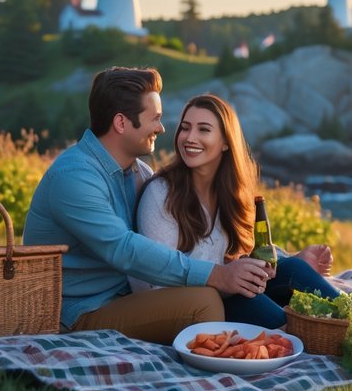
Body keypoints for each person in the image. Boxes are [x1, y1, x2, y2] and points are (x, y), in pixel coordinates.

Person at [22, 67, 273, 344]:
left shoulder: (138, 173)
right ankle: (219, 371)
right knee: (204, 302)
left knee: (239, 291)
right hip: (76, 312)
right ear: (121, 123)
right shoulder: (74, 177)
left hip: (121, 299)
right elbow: (123, 249)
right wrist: (215, 275)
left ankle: (274, 338)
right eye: (154, 118)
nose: (162, 128)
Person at [131, 93, 340, 328]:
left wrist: (282, 261)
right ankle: (308, 336)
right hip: (194, 306)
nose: (190, 138)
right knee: (274, 318)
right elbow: (155, 281)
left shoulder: (228, 194)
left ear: (226, 142)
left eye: (203, 130)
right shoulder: (161, 193)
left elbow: (244, 253)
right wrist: (223, 278)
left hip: (227, 292)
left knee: (295, 268)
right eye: (185, 128)